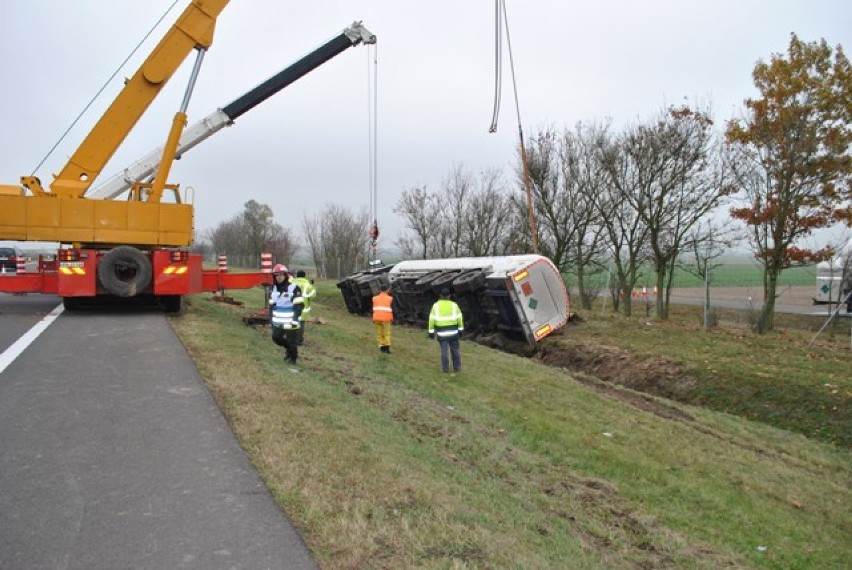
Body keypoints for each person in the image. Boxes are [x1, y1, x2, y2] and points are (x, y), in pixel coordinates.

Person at [268, 264, 304, 365]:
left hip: (291, 321)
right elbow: (271, 305)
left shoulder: (294, 288)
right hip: (278, 321)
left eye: (281, 275)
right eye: (276, 275)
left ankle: (292, 358)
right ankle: (288, 349)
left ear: (285, 275)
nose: (279, 277)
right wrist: (270, 318)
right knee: (276, 338)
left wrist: (295, 319)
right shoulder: (272, 289)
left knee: (292, 342)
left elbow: (299, 305)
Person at [428, 287, 464, 376]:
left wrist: (431, 332)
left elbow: (431, 320)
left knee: (444, 351)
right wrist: (460, 330)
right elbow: (459, 317)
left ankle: (445, 369)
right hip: (453, 332)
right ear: (449, 296)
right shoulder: (454, 305)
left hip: (442, 332)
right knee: (455, 350)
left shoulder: (435, 306)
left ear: (440, 295)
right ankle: (457, 368)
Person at [291, 269, 316, 345]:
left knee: (292, 322)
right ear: (304, 276)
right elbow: (313, 295)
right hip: (303, 308)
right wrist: (307, 298)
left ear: (297, 275)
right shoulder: (308, 284)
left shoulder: (291, 283)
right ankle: (298, 340)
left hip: (292, 307)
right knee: (301, 324)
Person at [372, 283, 394, 353]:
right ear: (387, 290)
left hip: (376, 318)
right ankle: (386, 347)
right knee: (386, 333)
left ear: (380, 290)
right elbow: (391, 309)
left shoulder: (374, 298)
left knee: (379, 333)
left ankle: (381, 347)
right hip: (386, 318)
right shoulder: (390, 298)